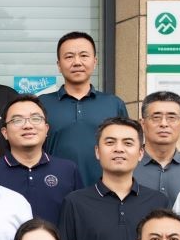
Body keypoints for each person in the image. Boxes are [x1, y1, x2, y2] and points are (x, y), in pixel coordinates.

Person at [57, 118, 170, 240]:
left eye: (128, 143)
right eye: (110, 142)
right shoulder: (76, 202)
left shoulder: (157, 201)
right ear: (97, 152)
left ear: (140, 153)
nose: (119, 149)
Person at [40, 32, 128, 187]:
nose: (77, 62)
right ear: (59, 65)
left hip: (104, 191)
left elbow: (127, 148)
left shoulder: (114, 104)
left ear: (95, 61)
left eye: (84, 55)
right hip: (53, 188)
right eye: (69, 57)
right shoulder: (41, 104)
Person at [0, 95, 80, 224]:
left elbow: (78, 219)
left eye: (35, 118)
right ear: (5, 132)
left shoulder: (68, 170)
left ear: (46, 129)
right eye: (17, 120)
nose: (28, 125)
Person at [135, 90, 180, 203]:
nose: (164, 124)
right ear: (143, 124)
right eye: (156, 117)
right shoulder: (128, 166)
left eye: (171, 117)